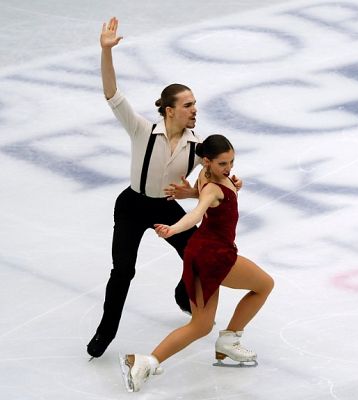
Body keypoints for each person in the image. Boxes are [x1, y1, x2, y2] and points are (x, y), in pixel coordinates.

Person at [87, 17, 224, 359]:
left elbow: (214, 173)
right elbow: (112, 94)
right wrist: (106, 52)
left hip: (165, 207)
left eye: (195, 104)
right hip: (133, 205)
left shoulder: (198, 145)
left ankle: (182, 294)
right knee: (123, 271)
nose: (195, 109)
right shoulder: (142, 130)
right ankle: (105, 332)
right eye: (188, 104)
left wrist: (216, 184)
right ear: (169, 110)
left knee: (197, 254)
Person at [120, 134, 274, 392]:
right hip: (216, 256)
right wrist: (173, 229)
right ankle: (230, 339)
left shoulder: (206, 177)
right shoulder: (213, 188)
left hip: (199, 252)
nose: (229, 168)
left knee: (200, 325)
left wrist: (191, 191)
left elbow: (205, 194)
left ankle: (146, 362)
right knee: (265, 284)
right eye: (223, 163)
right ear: (207, 161)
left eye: (232, 161)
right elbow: (197, 213)